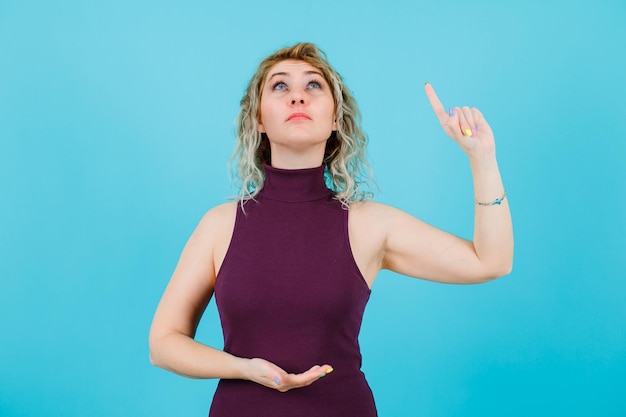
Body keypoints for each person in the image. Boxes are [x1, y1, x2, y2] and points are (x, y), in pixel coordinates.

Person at [149, 42, 513, 416]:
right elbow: (163, 343)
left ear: (336, 118)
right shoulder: (219, 225)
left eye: (313, 86)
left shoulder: (368, 225)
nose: (297, 98)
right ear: (258, 118)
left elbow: (491, 261)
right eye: (279, 86)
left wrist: (482, 158)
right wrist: (244, 368)